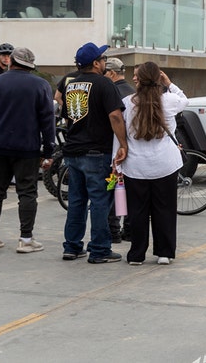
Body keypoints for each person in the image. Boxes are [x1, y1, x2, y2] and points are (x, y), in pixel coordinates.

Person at [0, 47, 56, 253]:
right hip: (27, 148)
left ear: (11, 61)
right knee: (27, 192)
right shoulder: (41, 85)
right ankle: (25, 239)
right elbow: (48, 122)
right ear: (30, 65)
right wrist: (48, 151)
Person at [61, 42, 128, 264]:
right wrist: (124, 144)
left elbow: (68, 116)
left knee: (77, 200)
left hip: (73, 150)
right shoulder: (104, 84)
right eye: (102, 59)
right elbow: (116, 116)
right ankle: (99, 249)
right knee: (100, 200)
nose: (104, 62)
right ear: (96, 63)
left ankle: (72, 247)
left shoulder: (71, 85)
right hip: (96, 152)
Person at [118, 62, 188, 266]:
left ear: (139, 80)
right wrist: (169, 83)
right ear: (158, 78)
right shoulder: (169, 100)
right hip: (165, 163)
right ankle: (164, 253)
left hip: (136, 166)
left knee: (138, 211)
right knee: (164, 209)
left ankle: (136, 254)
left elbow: (121, 130)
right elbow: (185, 100)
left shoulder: (127, 102)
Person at [104, 57, 134, 243]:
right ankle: (129, 230)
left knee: (112, 188)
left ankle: (113, 231)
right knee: (129, 191)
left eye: (105, 72)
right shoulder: (133, 92)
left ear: (112, 73)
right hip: (131, 150)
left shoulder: (110, 91)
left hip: (113, 148)